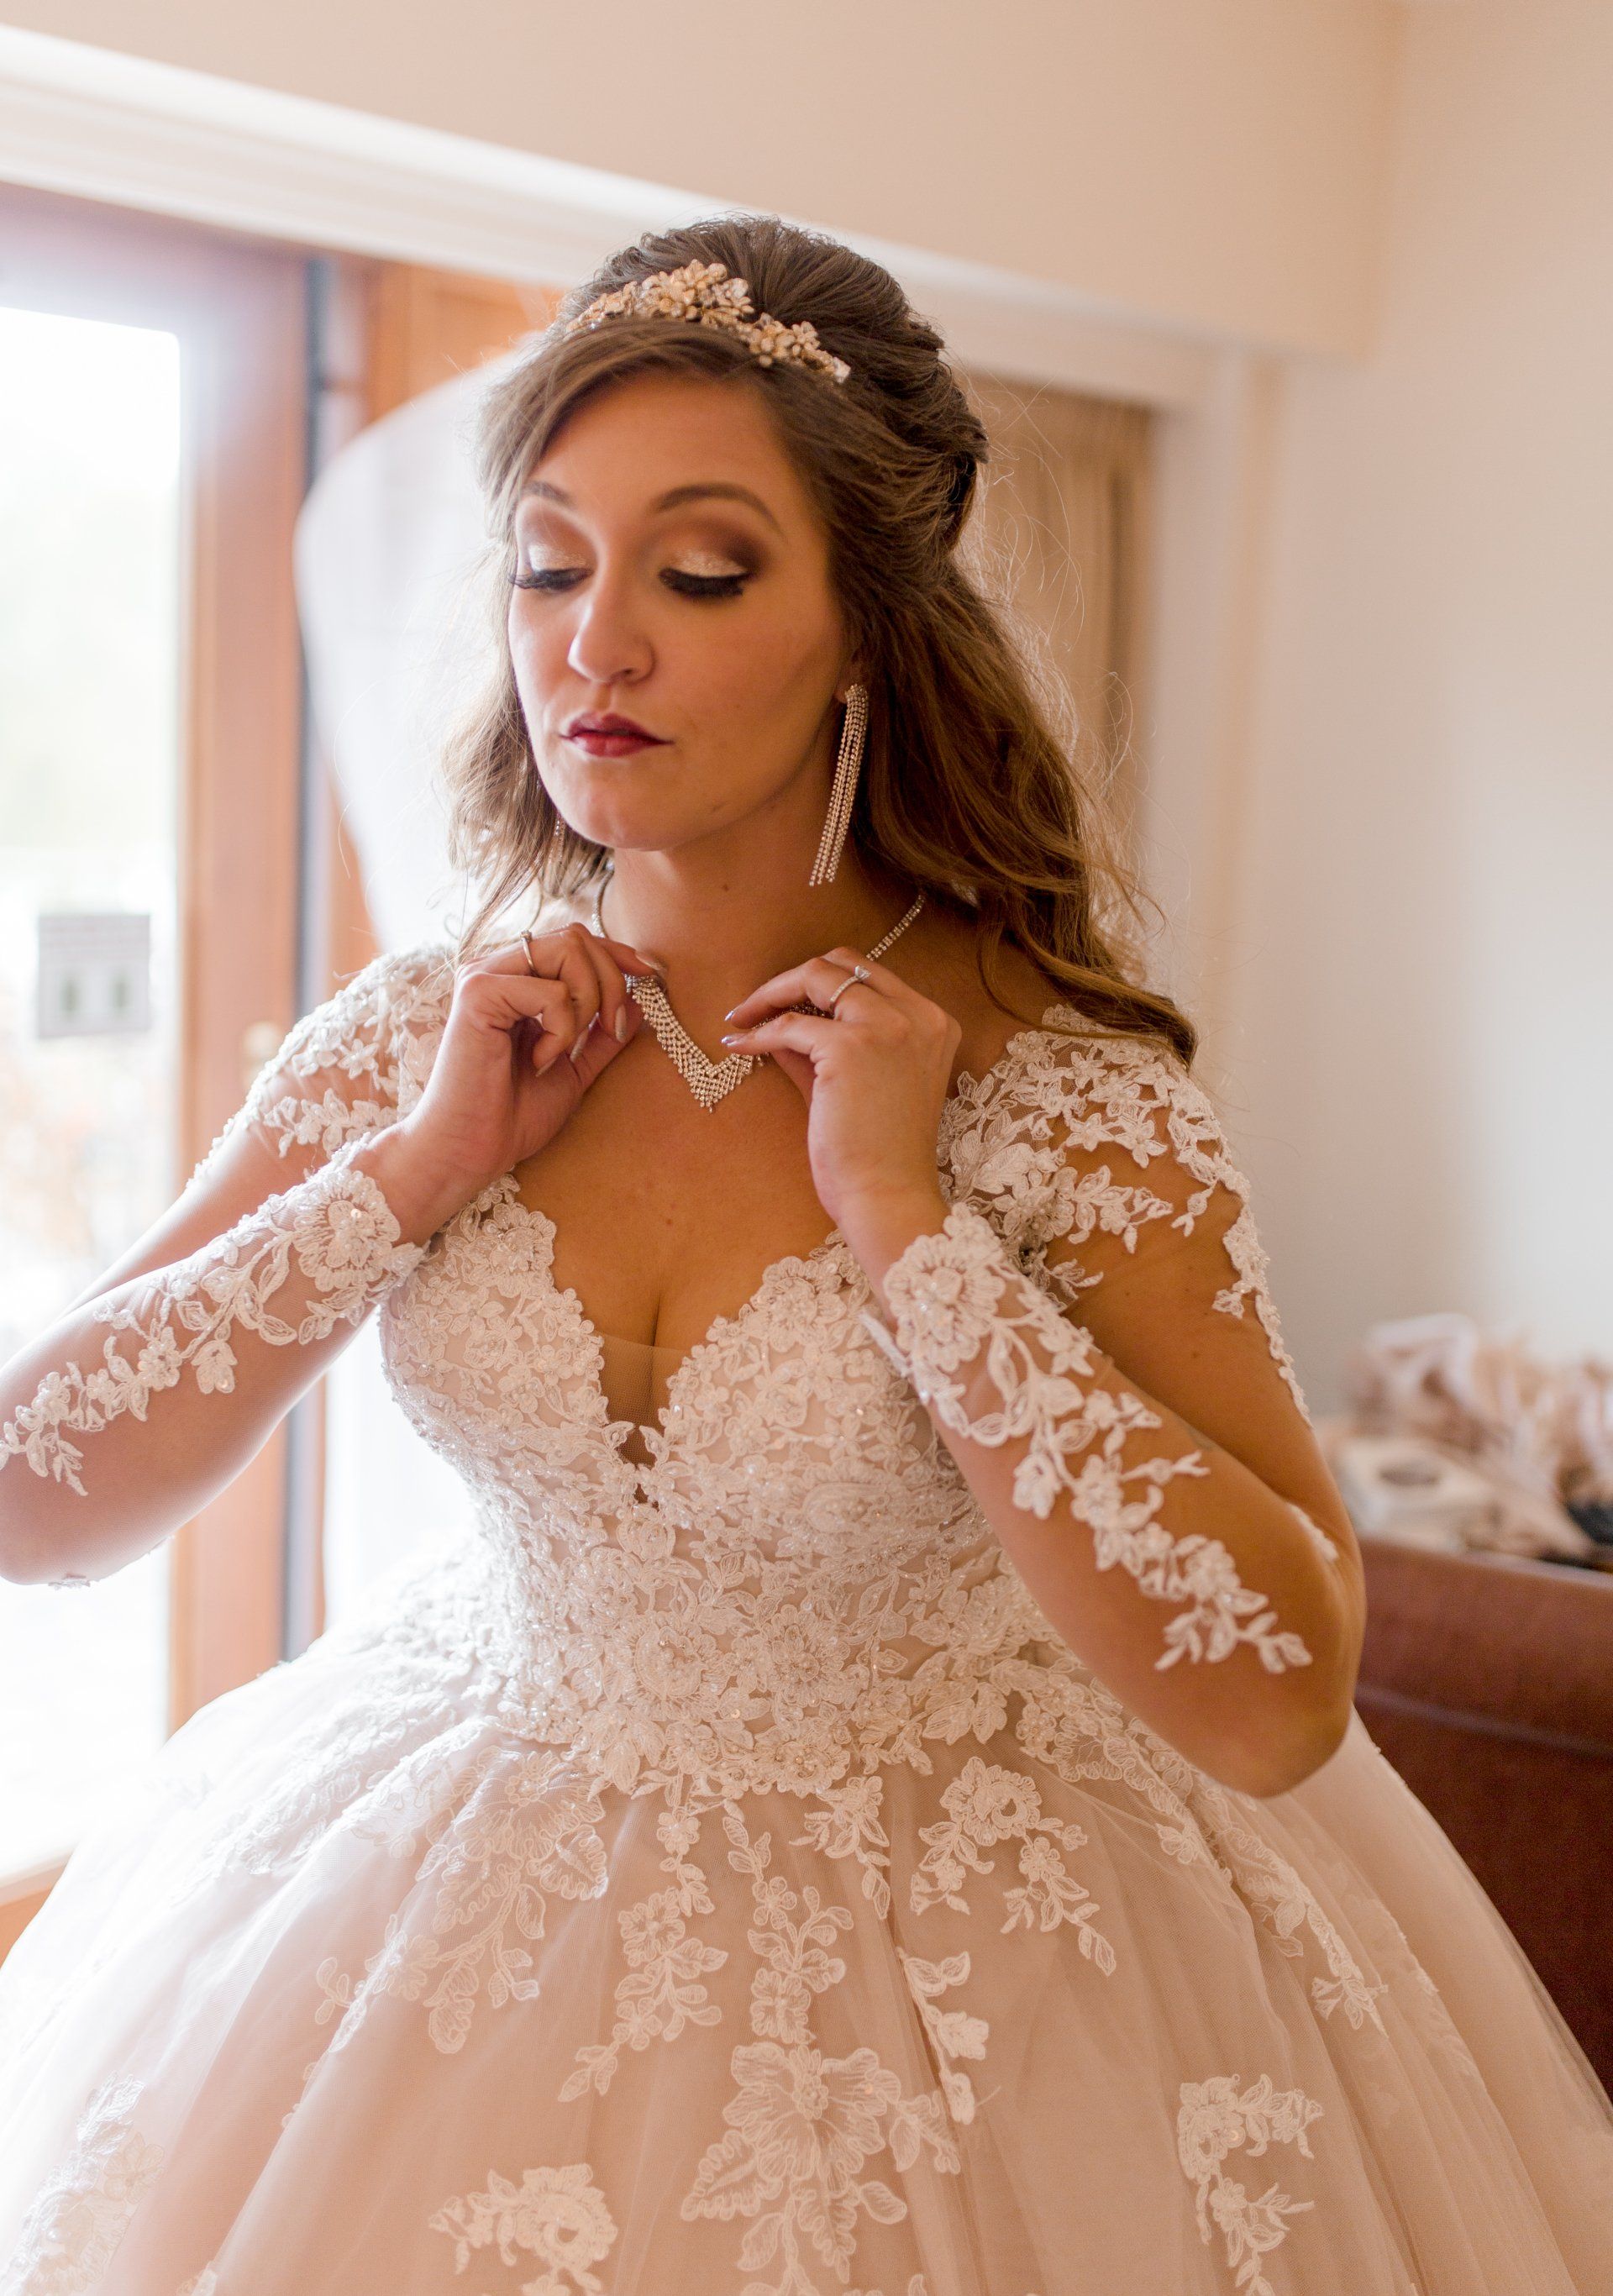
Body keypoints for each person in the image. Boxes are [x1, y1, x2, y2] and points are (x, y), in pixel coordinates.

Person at [1, 214, 1610, 2296]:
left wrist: (912, 1229)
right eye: (548, 563)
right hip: (453, 1892)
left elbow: (1284, 1688)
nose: (595, 642)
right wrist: (404, 1178)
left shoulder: (1055, 1093)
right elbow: (33, 1495)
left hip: (1004, 1990)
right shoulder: (425, 1035)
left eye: (697, 568)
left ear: (866, 625)